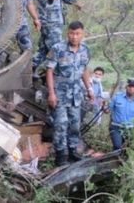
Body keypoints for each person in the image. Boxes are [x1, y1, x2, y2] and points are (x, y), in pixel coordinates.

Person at [45, 21, 94, 166]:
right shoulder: (58, 48)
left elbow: (84, 70)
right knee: (60, 124)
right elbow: (49, 71)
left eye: (77, 33)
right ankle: (60, 156)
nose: (74, 37)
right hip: (60, 94)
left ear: (82, 34)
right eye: (71, 33)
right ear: (68, 33)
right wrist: (51, 93)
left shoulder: (85, 50)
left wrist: (89, 89)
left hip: (76, 95)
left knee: (75, 125)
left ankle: (72, 152)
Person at [32, 0, 82, 78]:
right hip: (49, 21)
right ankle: (59, 74)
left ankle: (30, 69)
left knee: (43, 49)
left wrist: (74, 1)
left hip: (55, 20)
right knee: (57, 48)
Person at [105, 78, 134, 151]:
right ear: (126, 87)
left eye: (133, 87)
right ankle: (112, 159)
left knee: (127, 149)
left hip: (129, 129)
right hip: (116, 127)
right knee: (117, 146)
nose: (131, 88)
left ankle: (118, 161)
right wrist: (104, 106)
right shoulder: (117, 97)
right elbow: (108, 110)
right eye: (129, 86)